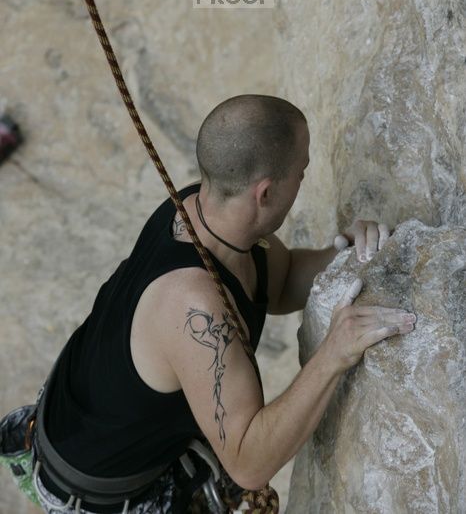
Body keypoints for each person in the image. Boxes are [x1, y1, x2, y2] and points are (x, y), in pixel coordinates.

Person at [31, 94, 416, 513]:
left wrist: (347, 254)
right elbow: (249, 463)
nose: (304, 178)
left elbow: (282, 282)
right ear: (265, 193)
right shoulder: (192, 306)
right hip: (97, 486)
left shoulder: (211, 209)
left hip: (96, 417)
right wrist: (333, 355)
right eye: (301, 172)